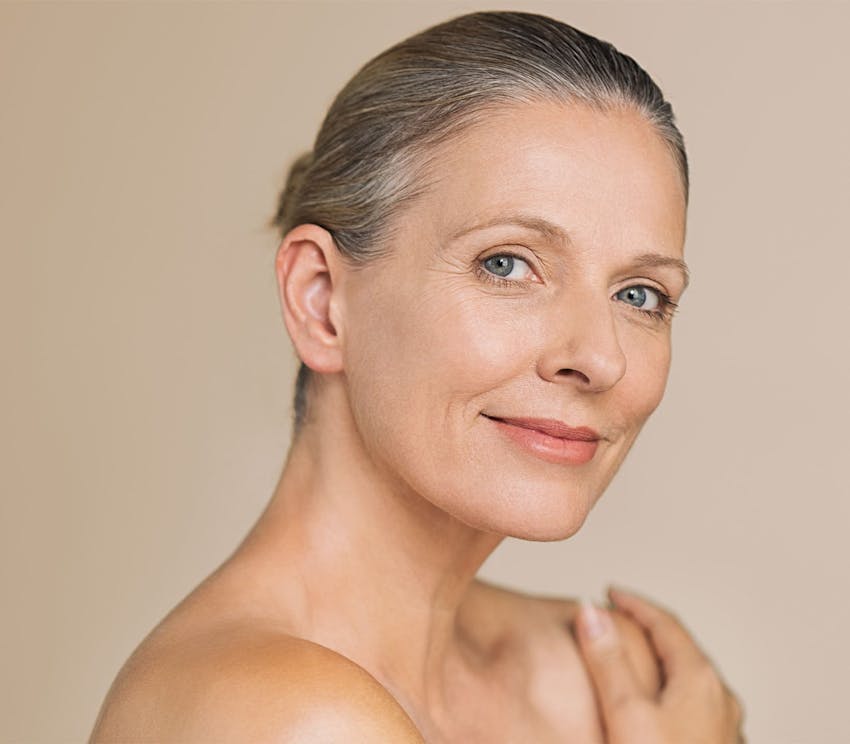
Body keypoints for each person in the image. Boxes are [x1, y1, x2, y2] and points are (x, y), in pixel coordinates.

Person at [91, 10, 744, 743]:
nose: (599, 358)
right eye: (506, 264)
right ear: (321, 300)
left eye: (639, 295)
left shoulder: (590, 673)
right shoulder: (283, 717)